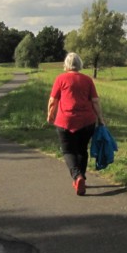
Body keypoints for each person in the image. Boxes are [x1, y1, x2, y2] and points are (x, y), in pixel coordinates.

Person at [47, 52, 105, 196]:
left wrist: (50, 115)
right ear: (79, 64)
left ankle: (77, 176)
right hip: (87, 121)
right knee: (82, 150)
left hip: (65, 121)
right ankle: (82, 178)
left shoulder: (60, 79)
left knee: (68, 151)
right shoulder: (87, 80)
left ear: (66, 65)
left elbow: (53, 100)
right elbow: (95, 101)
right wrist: (101, 119)